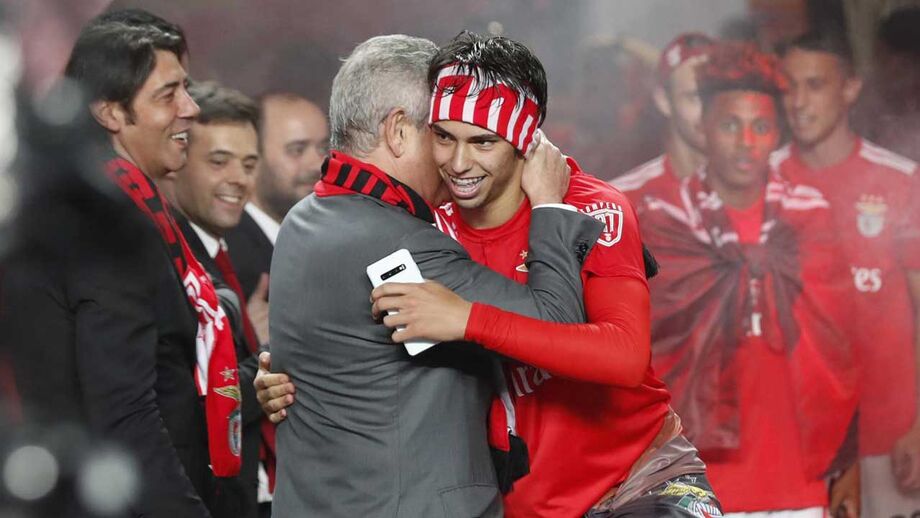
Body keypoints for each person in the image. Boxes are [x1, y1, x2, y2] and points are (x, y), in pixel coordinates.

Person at [260, 32, 721, 518]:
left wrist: (468, 318)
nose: (459, 163)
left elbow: (624, 357)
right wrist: (297, 376)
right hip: (525, 505)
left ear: (524, 143)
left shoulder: (588, 205)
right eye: (443, 136)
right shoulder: (428, 227)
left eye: (483, 141)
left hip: (635, 481)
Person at [0, 11, 232, 518]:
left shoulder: (146, 213)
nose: (191, 108)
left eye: (186, 89)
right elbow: (125, 413)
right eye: (169, 94)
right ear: (109, 112)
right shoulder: (99, 226)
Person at [633, 41, 859, 517]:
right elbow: (644, 349)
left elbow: (841, 348)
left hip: (796, 472)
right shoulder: (666, 218)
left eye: (761, 127)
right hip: (696, 469)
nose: (746, 142)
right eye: (730, 125)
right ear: (704, 127)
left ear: (778, 133)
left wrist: (848, 459)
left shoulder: (809, 215)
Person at [776, 29, 920, 517]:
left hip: (891, 438)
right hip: (799, 442)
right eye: (789, 86)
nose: (798, 102)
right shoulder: (762, 180)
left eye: (815, 85)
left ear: (851, 88)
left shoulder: (900, 179)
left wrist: (919, 425)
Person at [157, 80, 266, 518]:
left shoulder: (243, 253)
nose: (238, 178)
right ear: (177, 161)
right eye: (219, 162)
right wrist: (268, 360)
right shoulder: (165, 262)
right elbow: (183, 399)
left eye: (249, 164)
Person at [224, 92, 329, 300]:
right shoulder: (232, 259)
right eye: (297, 150)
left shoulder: (325, 239)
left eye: (323, 148)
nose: (318, 164)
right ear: (253, 157)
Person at [612, 33, 713, 208]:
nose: (710, 110)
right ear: (663, 101)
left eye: (716, 96)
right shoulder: (623, 203)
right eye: (694, 97)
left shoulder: (759, 193)